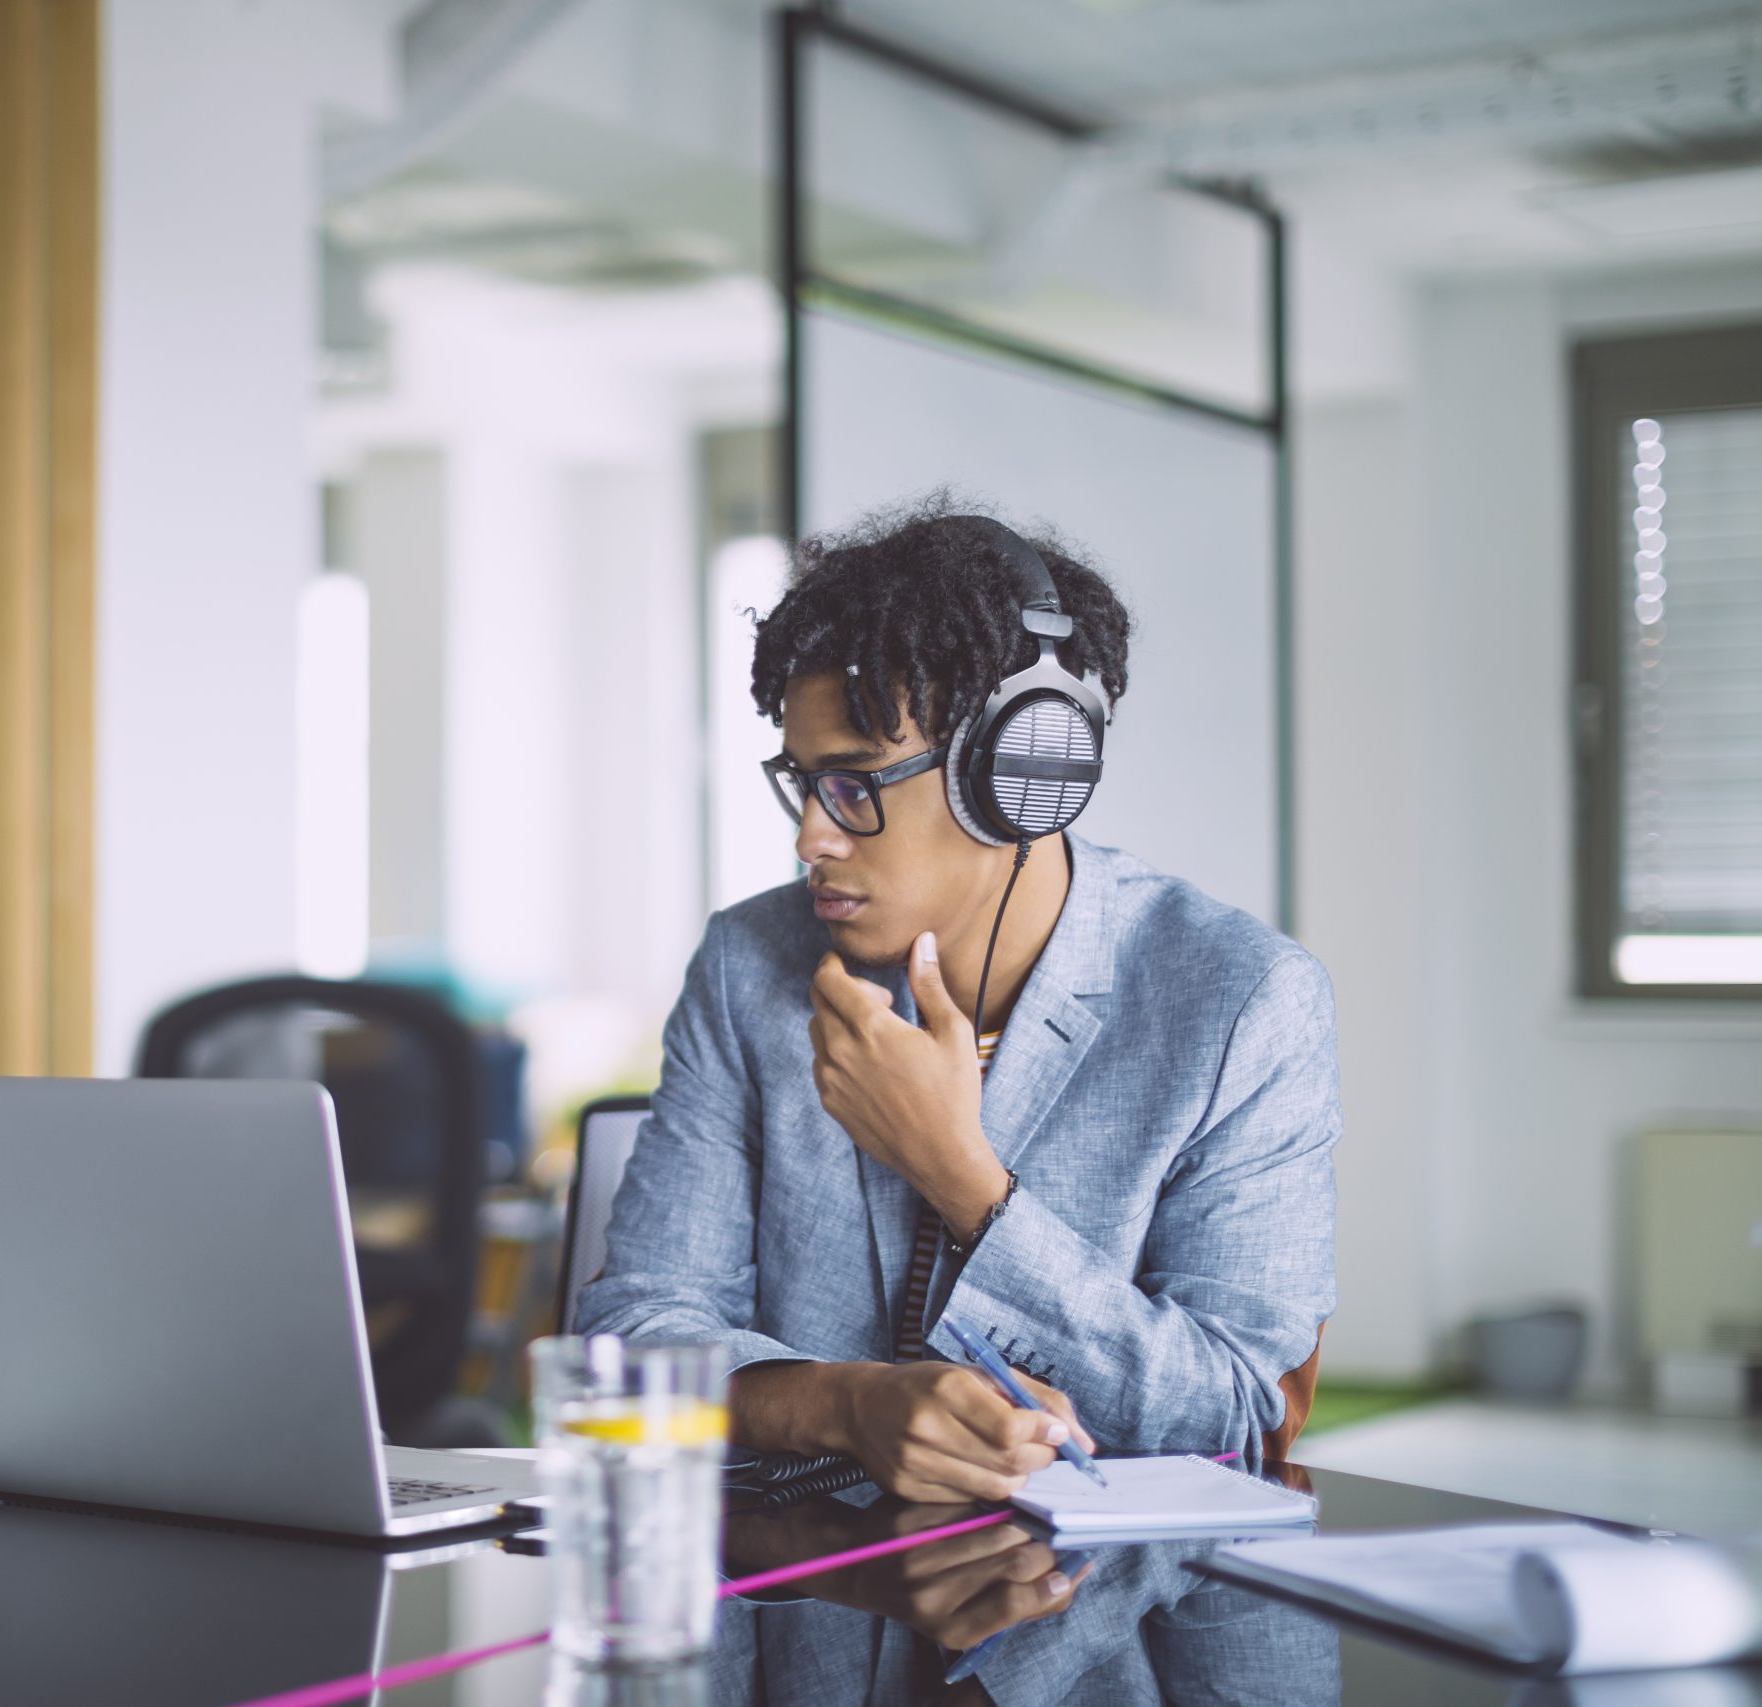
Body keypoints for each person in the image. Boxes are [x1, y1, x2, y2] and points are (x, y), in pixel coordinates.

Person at [574, 497, 1339, 1501]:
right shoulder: (746, 965)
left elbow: (1238, 1416)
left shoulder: (1240, 1002)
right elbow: (622, 1357)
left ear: (1020, 772)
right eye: (799, 782)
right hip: (809, 1605)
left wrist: (962, 1177)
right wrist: (843, 1404)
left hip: (1107, 1628)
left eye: (853, 785)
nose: (811, 836)